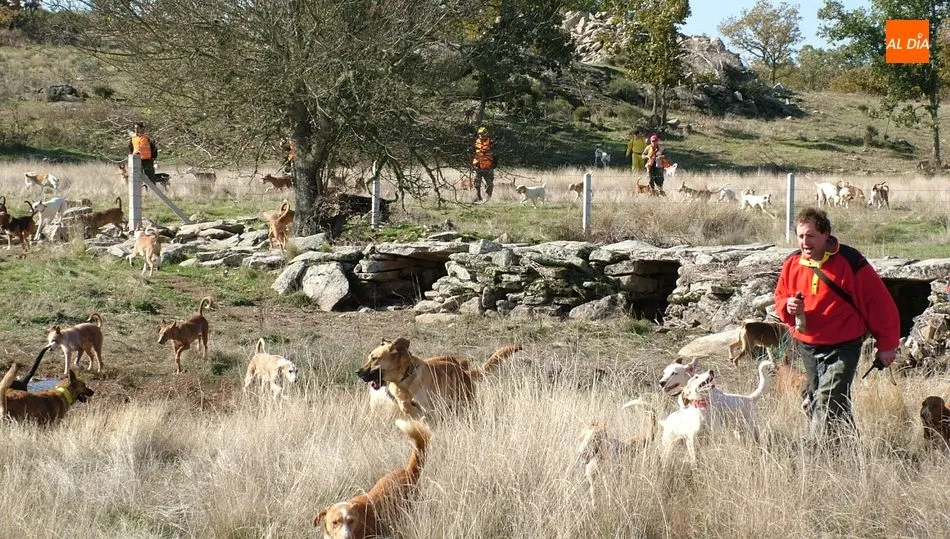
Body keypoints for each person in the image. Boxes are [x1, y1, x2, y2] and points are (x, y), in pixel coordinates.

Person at [774, 208, 900, 441]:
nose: (805, 242)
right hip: (808, 345)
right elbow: (780, 297)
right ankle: (849, 451)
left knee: (827, 399)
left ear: (826, 235)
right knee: (827, 401)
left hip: (844, 346)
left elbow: (879, 304)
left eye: (811, 236)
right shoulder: (792, 263)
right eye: (801, 236)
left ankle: (815, 449)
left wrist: (887, 345)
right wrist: (787, 305)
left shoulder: (851, 261)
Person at [472, 126, 495, 202]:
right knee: (476, 183)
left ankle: (488, 198)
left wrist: (494, 164)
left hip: (488, 166)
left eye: (482, 134)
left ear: (486, 133)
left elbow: (496, 153)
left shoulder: (491, 142)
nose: (481, 135)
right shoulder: (476, 142)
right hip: (478, 165)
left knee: (489, 184)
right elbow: (472, 152)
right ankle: (478, 197)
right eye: (479, 134)